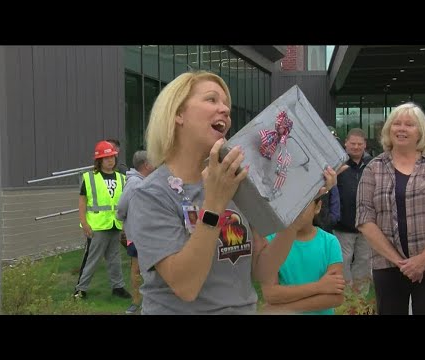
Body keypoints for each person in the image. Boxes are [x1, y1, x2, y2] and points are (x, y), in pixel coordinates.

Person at [126, 70, 338, 315]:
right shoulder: (150, 194)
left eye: (226, 103)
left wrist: (297, 211)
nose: (225, 109)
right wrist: (215, 202)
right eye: (211, 100)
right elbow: (186, 286)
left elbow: (261, 270)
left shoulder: (237, 181)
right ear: (178, 114)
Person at [356, 102, 425, 315]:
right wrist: (401, 262)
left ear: (420, 132)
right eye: (396, 123)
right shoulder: (373, 169)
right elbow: (364, 218)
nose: (401, 129)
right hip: (387, 265)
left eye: (409, 124)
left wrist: (423, 260)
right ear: (388, 130)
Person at [260, 187, 345, 315]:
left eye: (303, 203)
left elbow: (335, 297)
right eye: (292, 203)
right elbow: (270, 294)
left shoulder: (330, 243)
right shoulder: (271, 242)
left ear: (318, 207)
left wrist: (283, 309)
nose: (296, 210)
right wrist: (319, 286)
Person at [74, 140, 131, 300]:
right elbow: (82, 201)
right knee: (91, 259)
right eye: (106, 158)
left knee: (115, 258)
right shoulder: (89, 177)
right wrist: (84, 223)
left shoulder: (121, 178)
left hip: (114, 224)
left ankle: (118, 287)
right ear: (99, 160)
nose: (110, 160)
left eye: (112, 157)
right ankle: (80, 289)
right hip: (97, 226)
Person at [116, 150, 155, 314]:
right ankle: (136, 301)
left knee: (152, 269)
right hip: (138, 235)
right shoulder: (134, 183)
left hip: (150, 233)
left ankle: (150, 300)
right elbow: (121, 207)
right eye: (153, 161)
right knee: (137, 268)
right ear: (146, 165)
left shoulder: (147, 181)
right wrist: (125, 223)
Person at [335, 128, 372, 288]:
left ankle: (360, 300)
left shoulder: (373, 164)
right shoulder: (337, 163)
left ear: (365, 145)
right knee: (343, 261)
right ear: (346, 143)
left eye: (359, 144)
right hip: (343, 224)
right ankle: (345, 297)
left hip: (367, 224)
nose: (356, 147)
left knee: (364, 261)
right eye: (353, 143)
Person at [106, 138, 129, 249]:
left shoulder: (121, 168)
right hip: (105, 216)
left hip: (120, 212)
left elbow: (127, 189)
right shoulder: (103, 169)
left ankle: (138, 258)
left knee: (126, 239)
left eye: (109, 147)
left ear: (117, 150)